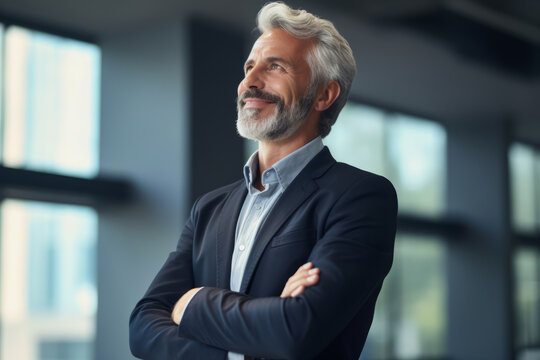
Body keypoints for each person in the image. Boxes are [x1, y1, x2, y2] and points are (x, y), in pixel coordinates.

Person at [129, 2, 397, 359]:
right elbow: (143, 327)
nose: (250, 82)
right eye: (249, 66)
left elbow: (296, 330)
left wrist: (191, 303)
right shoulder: (210, 209)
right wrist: (246, 342)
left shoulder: (361, 197)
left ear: (324, 94)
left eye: (275, 66)